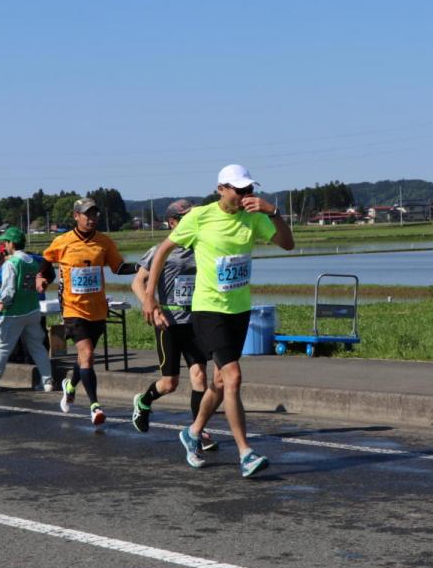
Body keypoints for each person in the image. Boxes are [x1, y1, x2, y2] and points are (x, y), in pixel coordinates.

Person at [142, 164, 294, 477]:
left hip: (239, 310)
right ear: (221, 189)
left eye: (249, 189)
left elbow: (287, 243)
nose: (245, 195)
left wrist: (273, 212)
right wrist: (148, 296)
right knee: (233, 376)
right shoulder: (200, 217)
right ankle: (245, 452)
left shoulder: (254, 217)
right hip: (208, 310)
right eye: (239, 190)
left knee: (221, 381)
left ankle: (193, 432)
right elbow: (163, 250)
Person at [129, 200, 216, 451]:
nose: (191, 222)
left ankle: (197, 431)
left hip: (194, 322)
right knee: (170, 383)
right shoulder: (161, 250)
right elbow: (137, 283)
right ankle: (144, 401)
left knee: (200, 376)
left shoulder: (200, 248)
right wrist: (152, 306)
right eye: (184, 218)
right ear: (172, 223)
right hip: (168, 322)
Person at [42, 198, 138, 426]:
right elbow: (46, 260)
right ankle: (95, 406)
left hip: (97, 309)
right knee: (87, 354)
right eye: (87, 214)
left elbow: (118, 267)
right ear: (76, 216)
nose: (92, 218)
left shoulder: (104, 242)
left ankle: (70, 386)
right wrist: (42, 277)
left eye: (95, 214)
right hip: (72, 308)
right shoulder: (63, 241)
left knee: (85, 356)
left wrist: (142, 266)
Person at [0, 228, 54, 396]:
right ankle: (47, 381)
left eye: (6, 242)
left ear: (12, 244)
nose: (5, 245)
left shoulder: (11, 263)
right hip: (32, 310)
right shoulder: (32, 261)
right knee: (37, 347)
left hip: (14, 313)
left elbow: (8, 293)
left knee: (0, 348)